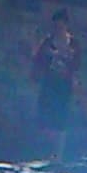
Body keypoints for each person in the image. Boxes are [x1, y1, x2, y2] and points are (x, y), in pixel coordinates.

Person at [30, 10, 82, 161]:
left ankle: (58, 153)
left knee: (61, 117)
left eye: (61, 25)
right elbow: (39, 60)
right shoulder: (48, 42)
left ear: (66, 25)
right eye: (56, 26)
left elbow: (77, 64)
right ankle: (46, 150)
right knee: (46, 115)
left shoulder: (73, 43)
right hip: (49, 82)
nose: (58, 28)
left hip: (64, 84)